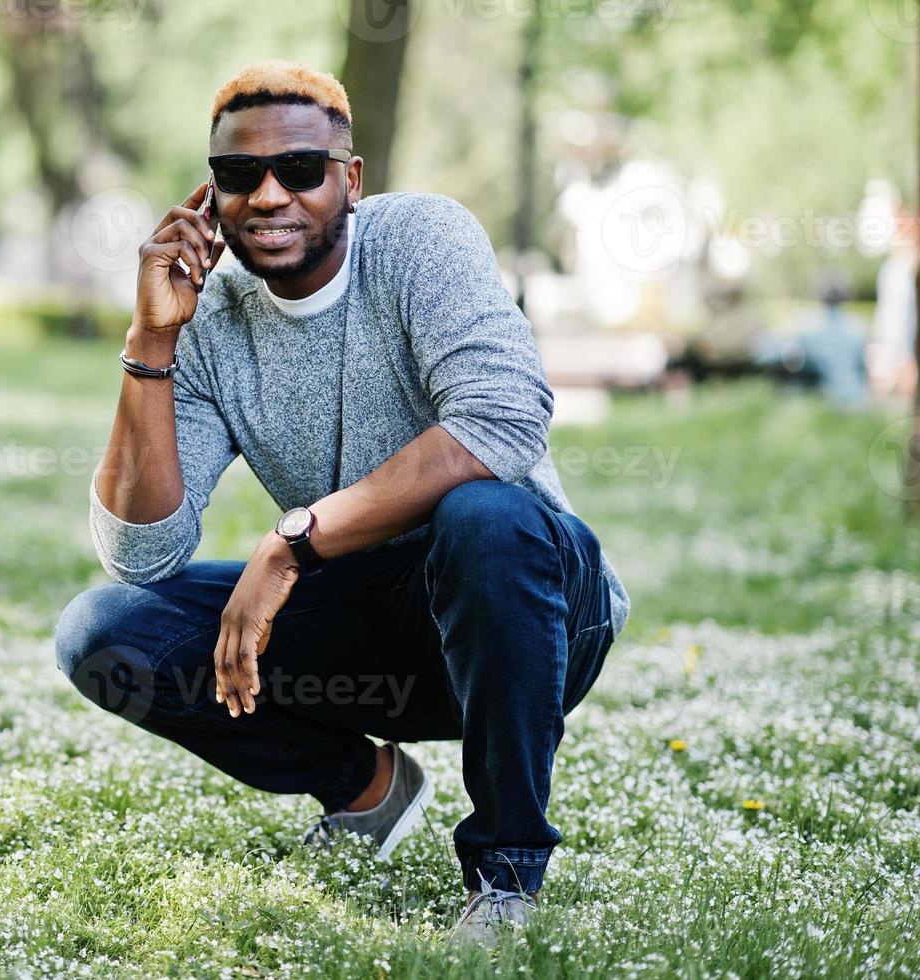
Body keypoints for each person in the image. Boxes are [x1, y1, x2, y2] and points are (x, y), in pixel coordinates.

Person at [53, 60, 630, 948]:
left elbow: (501, 424)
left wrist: (290, 544)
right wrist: (150, 341)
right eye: (240, 177)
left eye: (300, 170)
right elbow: (139, 553)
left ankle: (505, 878)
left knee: (482, 515)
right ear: (211, 194)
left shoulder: (419, 239)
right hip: (375, 631)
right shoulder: (206, 320)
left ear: (348, 178)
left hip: (528, 615)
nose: (270, 195)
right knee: (103, 629)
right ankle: (366, 788)